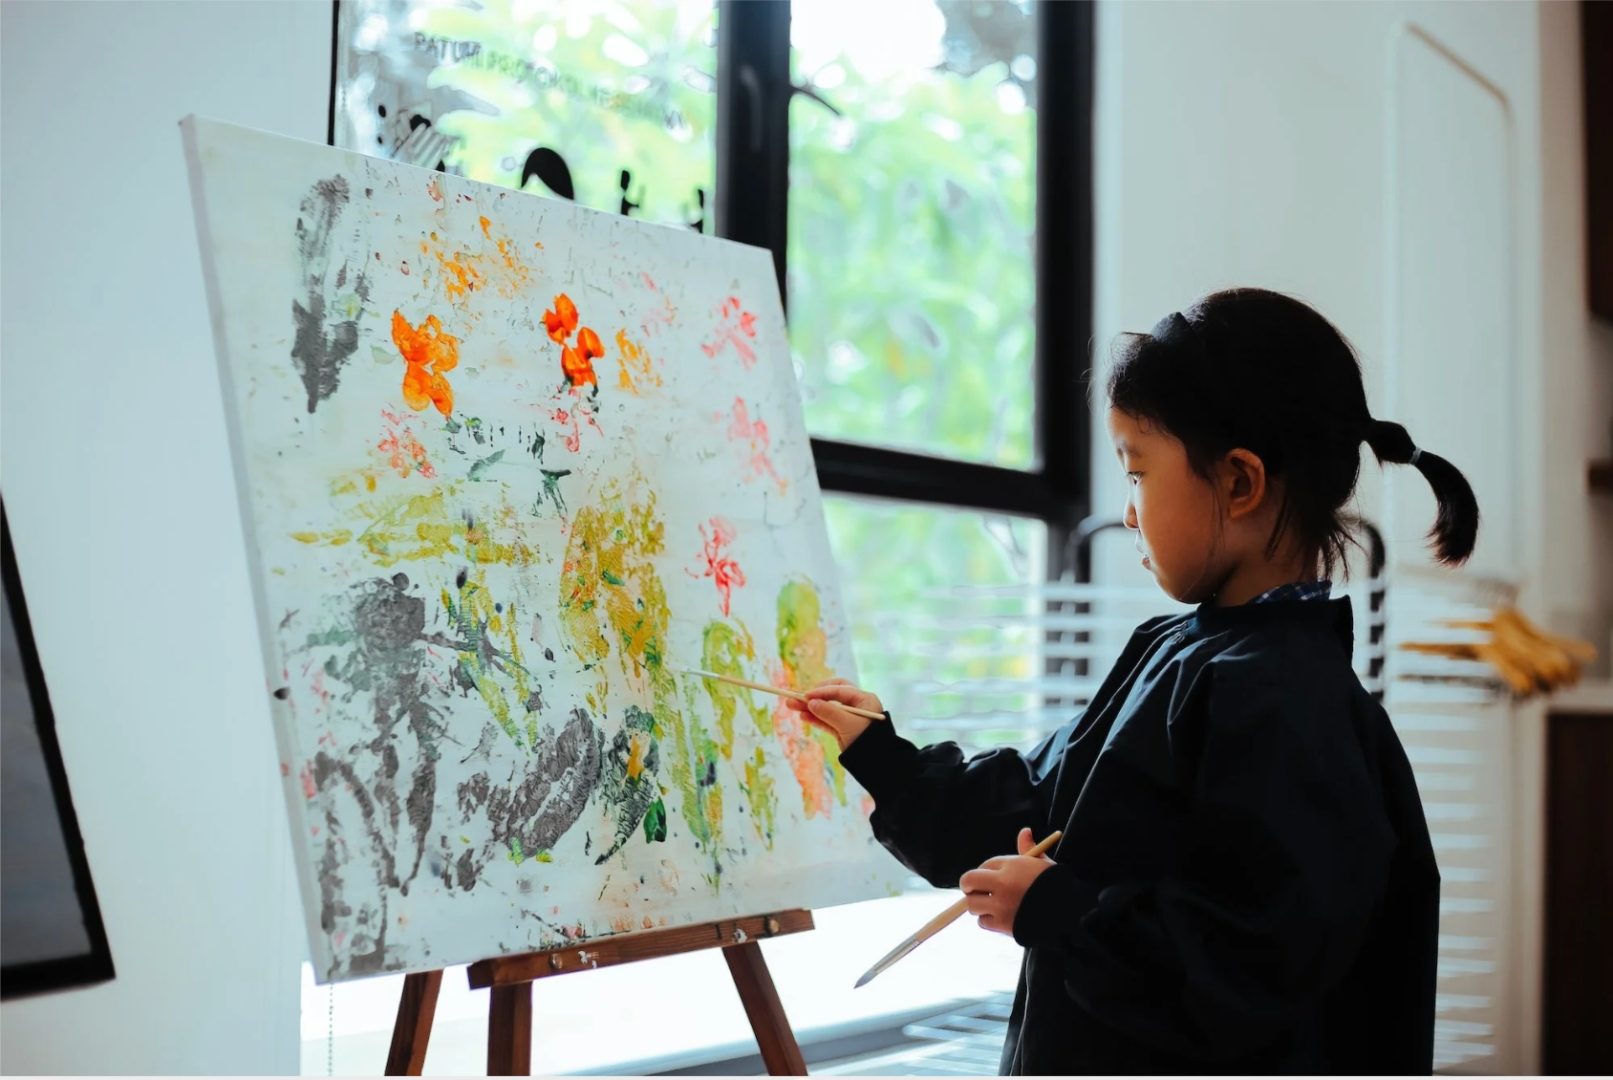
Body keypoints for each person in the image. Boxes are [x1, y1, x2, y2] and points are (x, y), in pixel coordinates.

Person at [788, 288, 1477, 1074]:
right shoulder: (1180, 651)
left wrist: (1059, 911)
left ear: (1239, 484)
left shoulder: (1288, 701)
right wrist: (889, 761)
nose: (1125, 512)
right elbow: (1041, 808)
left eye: (1138, 472)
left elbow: (1252, 964)